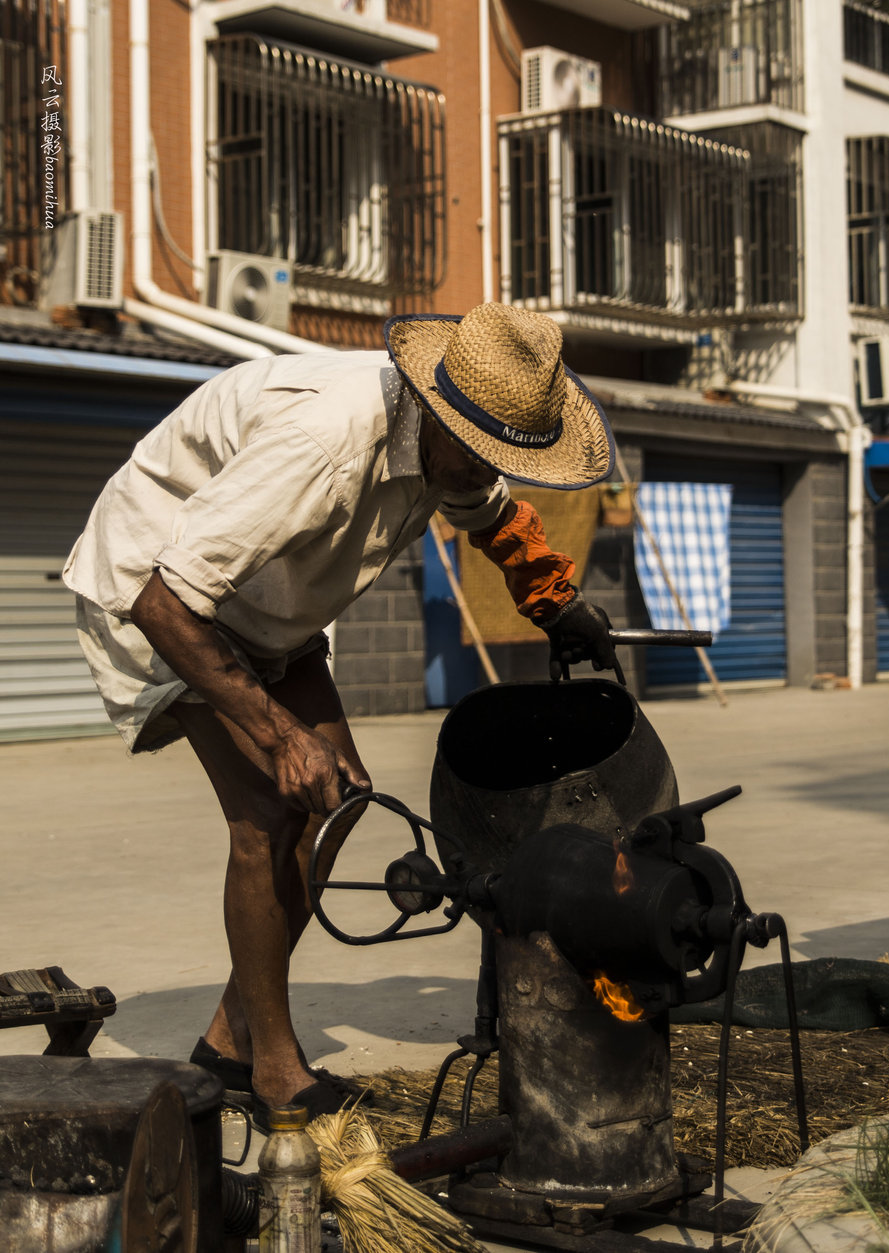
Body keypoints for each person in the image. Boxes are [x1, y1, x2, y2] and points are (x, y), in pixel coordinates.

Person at [63, 301, 621, 1130]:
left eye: (497, 456)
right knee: (268, 812)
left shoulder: (458, 448)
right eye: (475, 453)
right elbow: (164, 598)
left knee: (344, 798)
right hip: (160, 592)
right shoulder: (323, 442)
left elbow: (491, 511)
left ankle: (229, 1036)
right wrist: (277, 733)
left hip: (266, 607)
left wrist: (555, 599)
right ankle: (277, 1073)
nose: (481, 470)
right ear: (435, 409)